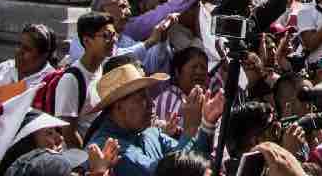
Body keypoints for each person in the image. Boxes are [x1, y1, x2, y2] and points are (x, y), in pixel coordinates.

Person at [86, 62, 222, 175]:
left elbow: (197, 160)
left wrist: (207, 124)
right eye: (142, 98)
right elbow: (175, 172)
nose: (152, 103)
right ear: (119, 106)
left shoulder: (150, 132)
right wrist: (190, 128)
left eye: (149, 96)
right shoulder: (107, 150)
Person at [57, 12, 119, 149]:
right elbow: (68, 132)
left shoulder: (104, 70)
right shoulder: (71, 79)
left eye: (114, 35)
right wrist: (85, 160)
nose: (113, 40)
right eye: (106, 36)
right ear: (87, 41)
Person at [0, 24, 59, 116]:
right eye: (19, 45)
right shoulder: (3, 69)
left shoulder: (51, 81)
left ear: (43, 56)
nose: (19, 52)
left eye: (27, 49)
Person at [152, 46, 210, 126]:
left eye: (203, 67)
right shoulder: (167, 99)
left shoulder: (205, 101)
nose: (199, 72)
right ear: (177, 72)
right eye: (194, 67)